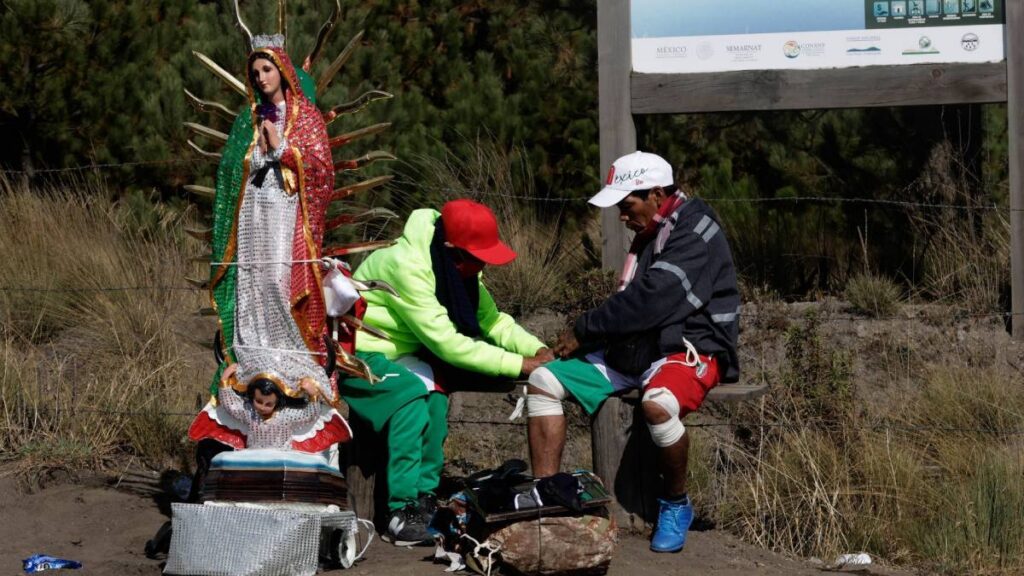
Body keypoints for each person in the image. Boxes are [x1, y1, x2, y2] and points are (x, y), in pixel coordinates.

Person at [525, 151, 740, 553]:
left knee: (658, 405)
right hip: (639, 347)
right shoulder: (659, 227)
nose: (622, 216)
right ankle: (547, 499)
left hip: (692, 346)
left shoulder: (693, 230)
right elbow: (642, 309)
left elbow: (652, 300)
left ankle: (675, 504)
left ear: (657, 194)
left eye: (627, 205)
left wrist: (585, 330)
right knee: (542, 380)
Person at [340, 199, 554, 546]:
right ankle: (399, 511)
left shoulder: (455, 268)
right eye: (479, 258)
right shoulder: (407, 266)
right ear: (453, 252)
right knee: (410, 398)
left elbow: (492, 321)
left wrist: (536, 349)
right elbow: (448, 344)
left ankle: (423, 496)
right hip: (361, 352)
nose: (484, 266)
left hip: (404, 352)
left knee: (435, 398)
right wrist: (519, 364)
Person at [187, 33, 350, 483]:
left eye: (267, 69)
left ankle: (291, 366)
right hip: (253, 216)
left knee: (281, 282)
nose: (261, 78)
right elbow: (229, 172)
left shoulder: (307, 117)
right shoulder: (248, 118)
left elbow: (322, 171)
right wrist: (250, 156)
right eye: (255, 72)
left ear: (283, 71)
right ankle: (253, 357)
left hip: (287, 218)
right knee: (253, 284)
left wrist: (283, 149)